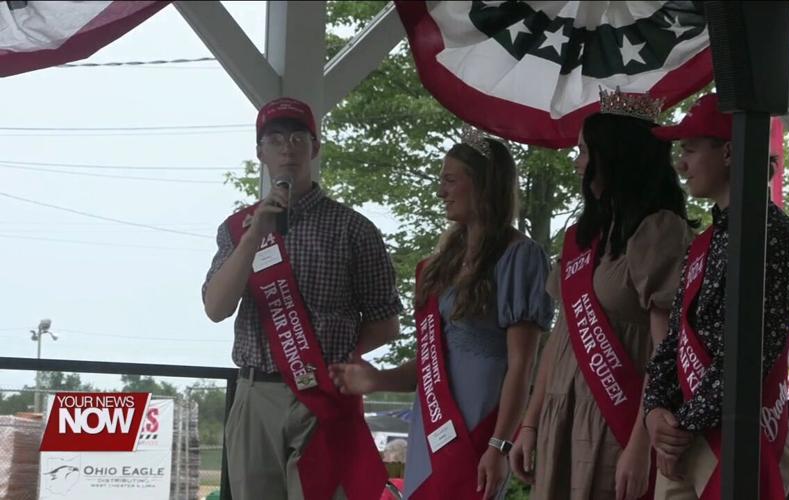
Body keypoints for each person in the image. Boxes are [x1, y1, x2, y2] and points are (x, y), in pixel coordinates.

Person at [329, 127, 554, 500]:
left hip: (480, 427)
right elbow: (433, 364)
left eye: (450, 180)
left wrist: (498, 445)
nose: (440, 191)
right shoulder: (439, 265)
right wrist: (376, 380)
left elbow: (522, 365)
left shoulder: (520, 257)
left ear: (482, 184)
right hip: (430, 427)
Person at [201, 97, 403, 500]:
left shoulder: (354, 229)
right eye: (275, 139)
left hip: (324, 396)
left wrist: (332, 358)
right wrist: (256, 233)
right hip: (256, 394)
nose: (287, 148)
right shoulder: (238, 229)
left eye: (297, 137)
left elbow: (386, 322)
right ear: (261, 152)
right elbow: (216, 308)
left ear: (315, 147)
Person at [509, 89, 696, 500]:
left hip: (618, 419)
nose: (577, 163)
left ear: (613, 155)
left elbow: (667, 350)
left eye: (583, 151)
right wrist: (530, 422)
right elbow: (561, 336)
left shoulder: (658, 231)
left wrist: (640, 444)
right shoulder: (583, 237)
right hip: (564, 413)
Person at [643, 94, 789, 500]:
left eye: (688, 149)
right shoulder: (703, 241)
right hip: (687, 436)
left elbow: (750, 354)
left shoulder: (773, 236)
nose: (680, 164)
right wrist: (655, 411)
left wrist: (680, 425)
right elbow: (673, 342)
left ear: (729, 152)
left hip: (736, 438)